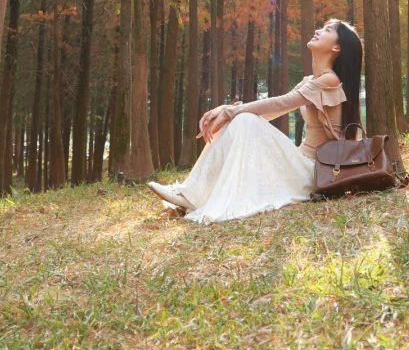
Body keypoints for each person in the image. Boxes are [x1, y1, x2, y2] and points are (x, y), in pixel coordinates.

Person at [148, 18, 362, 223]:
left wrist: (233, 111)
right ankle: (190, 192)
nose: (318, 31)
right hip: (300, 161)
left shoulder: (330, 80)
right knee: (243, 119)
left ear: (337, 48)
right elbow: (271, 113)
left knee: (243, 119)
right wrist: (232, 114)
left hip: (315, 172)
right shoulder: (311, 81)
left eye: (327, 30)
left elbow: (282, 103)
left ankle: (189, 194)